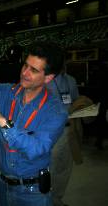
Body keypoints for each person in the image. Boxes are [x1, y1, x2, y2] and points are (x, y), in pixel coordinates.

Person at [0, 41, 68, 206]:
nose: (24, 73)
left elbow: (37, 149)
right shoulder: (5, 92)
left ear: (48, 78)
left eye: (34, 70)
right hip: (2, 184)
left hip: (32, 191)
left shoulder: (55, 110)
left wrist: (2, 122)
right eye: (25, 65)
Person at [47, 67, 80, 206]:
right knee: (50, 168)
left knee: (65, 167)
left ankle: (57, 199)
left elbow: (75, 101)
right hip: (51, 131)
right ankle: (46, 200)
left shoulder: (71, 80)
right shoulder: (45, 80)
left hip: (69, 129)